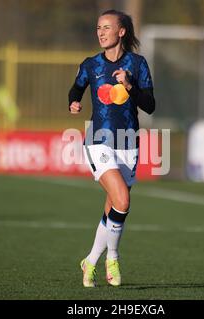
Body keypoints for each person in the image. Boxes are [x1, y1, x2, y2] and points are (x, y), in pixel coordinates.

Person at [68, 9, 155, 287]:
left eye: (107, 27)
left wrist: (130, 86)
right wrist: (73, 102)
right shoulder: (91, 64)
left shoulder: (138, 64)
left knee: (114, 206)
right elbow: (76, 88)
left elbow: (150, 105)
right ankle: (113, 257)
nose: (101, 32)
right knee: (123, 201)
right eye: (98, 28)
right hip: (98, 139)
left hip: (128, 143)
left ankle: (90, 261)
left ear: (121, 32)